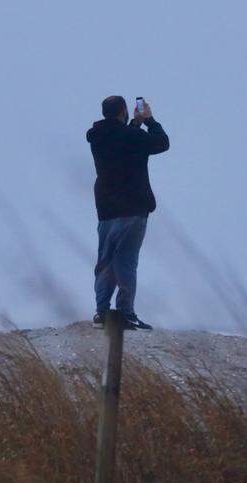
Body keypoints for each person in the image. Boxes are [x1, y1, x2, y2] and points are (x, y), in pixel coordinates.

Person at [86, 95, 170, 330]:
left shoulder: (97, 137)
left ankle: (101, 313)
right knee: (126, 261)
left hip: (105, 209)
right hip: (132, 208)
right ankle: (125, 312)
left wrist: (134, 124)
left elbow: (121, 141)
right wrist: (149, 120)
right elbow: (162, 142)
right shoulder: (132, 136)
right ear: (123, 111)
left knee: (105, 260)